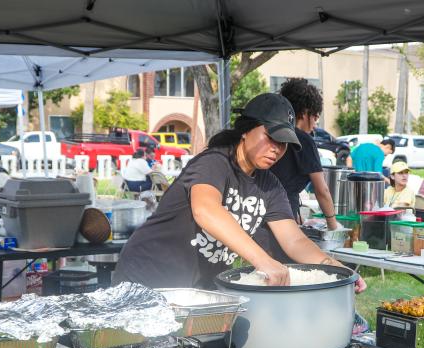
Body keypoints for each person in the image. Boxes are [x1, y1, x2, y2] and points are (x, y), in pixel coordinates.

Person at [113, 93, 366, 292]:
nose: (277, 149)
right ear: (246, 130)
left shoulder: (270, 185)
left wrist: (337, 270)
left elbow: (294, 240)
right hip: (148, 273)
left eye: (284, 143)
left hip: (197, 287)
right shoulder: (214, 162)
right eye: (271, 137)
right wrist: (262, 260)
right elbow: (206, 210)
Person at [268, 77, 338, 229]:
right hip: (282, 213)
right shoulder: (304, 140)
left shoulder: (272, 133)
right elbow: (322, 190)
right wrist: (333, 226)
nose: (315, 124)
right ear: (306, 113)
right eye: (316, 117)